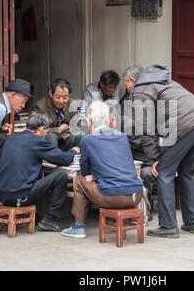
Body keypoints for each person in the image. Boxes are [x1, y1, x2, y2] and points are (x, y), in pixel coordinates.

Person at [129, 64, 194, 238]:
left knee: (165, 173)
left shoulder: (140, 88)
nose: (128, 92)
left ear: (132, 80)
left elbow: (145, 127)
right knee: (187, 171)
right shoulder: (167, 82)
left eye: (127, 86)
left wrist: (155, 157)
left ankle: (168, 226)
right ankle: (192, 222)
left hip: (186, 126)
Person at [61, 100, 144, 239]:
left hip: (111, 197)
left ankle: (78, 226)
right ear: (111, 121)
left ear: (89, 122)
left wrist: (91, 174)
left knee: (80, 180)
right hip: (136, 195)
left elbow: (84, 168)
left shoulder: (88, 140)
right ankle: (112, 219)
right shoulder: (122, 137)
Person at [0, 111, 80, 232]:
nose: (46, 134)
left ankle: (40, 216)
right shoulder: (36, 141)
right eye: (46, 131)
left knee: (38, 178)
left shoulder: (12, 138)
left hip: (2, 195)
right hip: (19, 197)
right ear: (40, 129)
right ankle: (50, 219)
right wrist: (73, 151)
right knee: (60, 175)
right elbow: (63, 159)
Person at [120, 65, 155, 218]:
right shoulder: (127, 99)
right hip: (130, 152)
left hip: (147, 156)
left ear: (132, 80)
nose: (126, 89)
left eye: (126, 85)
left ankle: (144, 210)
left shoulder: (151, 97)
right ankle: (126, 206)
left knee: (146, 173)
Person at [32, 78, 83, 150]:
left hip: (67, 139)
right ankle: (52, 158)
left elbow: (79, 125)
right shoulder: (39, 107)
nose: (61, 101)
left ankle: (75, 158)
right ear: (51, 93)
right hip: (49, 141)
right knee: (51, 136)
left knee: (80, 135)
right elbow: (38, 131)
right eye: (57, 97)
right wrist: (59, 129)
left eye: (65, 97)